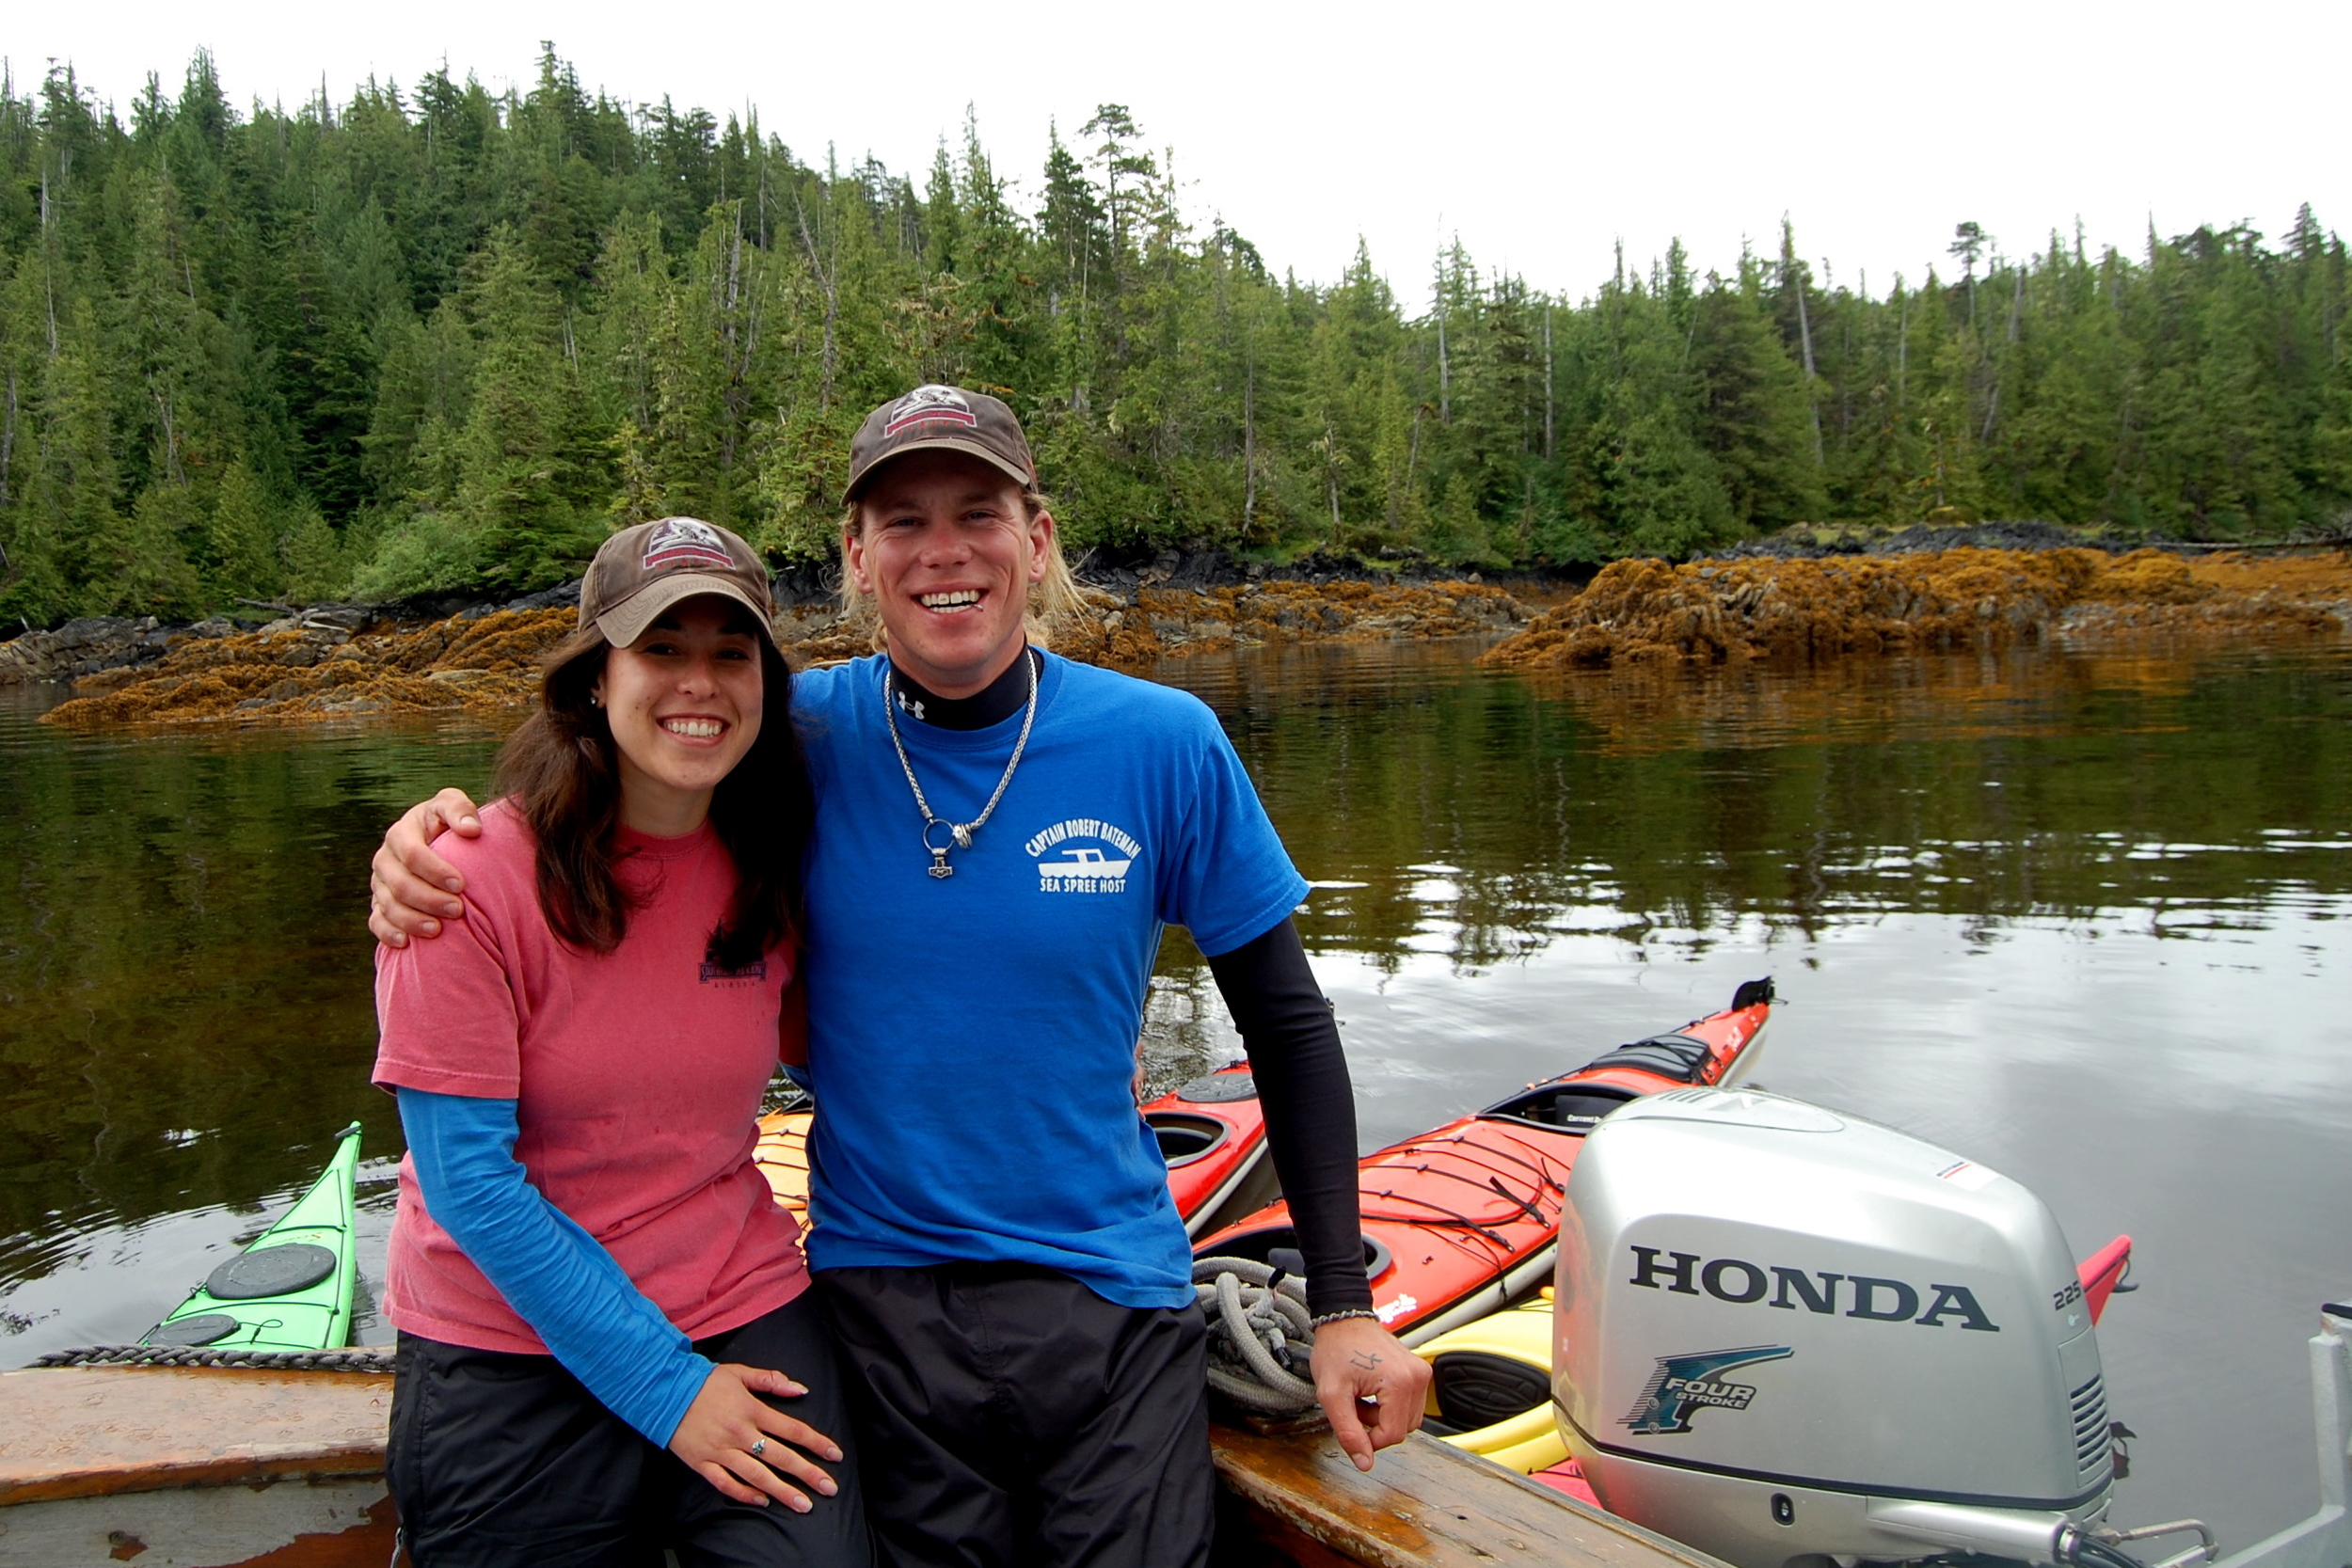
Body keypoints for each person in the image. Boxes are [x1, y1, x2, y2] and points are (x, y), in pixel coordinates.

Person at [372, 386, 1431, 1568]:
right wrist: (428, 843)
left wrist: (1342, 1305)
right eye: (901, 522)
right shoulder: (798, 738)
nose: (943, 552)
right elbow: (612, 787)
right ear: (857, 560)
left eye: (976, 511)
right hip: (880, 1296)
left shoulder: (1163, 740)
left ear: (1035, 539)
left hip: (1112, 1293)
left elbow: (1285, 1021)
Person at [373, 518, 868, 1568]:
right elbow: (469, 1183)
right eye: (660, 648)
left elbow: (847, 1052)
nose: (700, 681)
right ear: (595, 678)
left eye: (730, 654)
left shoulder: (772, 864)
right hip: (508, 1334)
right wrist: (667, 1389)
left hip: (738, 1302)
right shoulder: (460, 879)